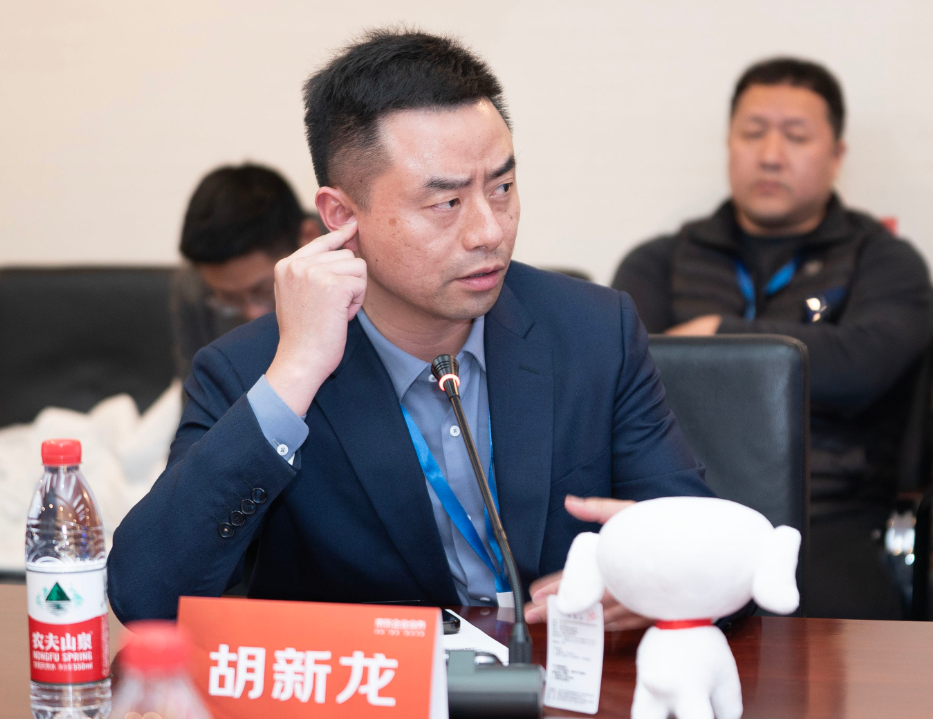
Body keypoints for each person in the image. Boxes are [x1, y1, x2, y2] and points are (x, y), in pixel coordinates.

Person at [108, 30, 712, 625]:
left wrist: (655, 579)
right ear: (342, 216)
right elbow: (148, 596)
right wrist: (296, 373)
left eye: (502, 187)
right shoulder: (250, 370)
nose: (489, 231)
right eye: (446, 203)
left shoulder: (594, 331)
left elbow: (704, 546)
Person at [612, 57, 933, 620]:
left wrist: (717, 333)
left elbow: (863, 365)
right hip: (684, 509)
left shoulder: (882, 261)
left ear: (837, 155)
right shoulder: (659, 262)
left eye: (796, 136)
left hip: (827, 515)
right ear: (729, 143)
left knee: (831, 656)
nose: (770, 155)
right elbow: (623, 377)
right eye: (753, 132)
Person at [170, 163, 323, 380]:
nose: (252, 314)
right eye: (229, 299)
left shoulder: (360, 268)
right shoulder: (194, 288)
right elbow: (196, 389)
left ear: (308, 237)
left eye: (266, 290)